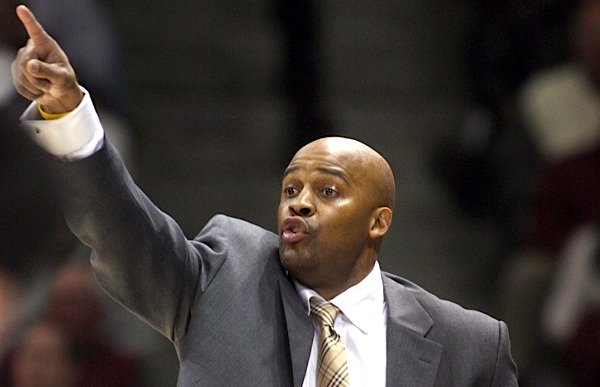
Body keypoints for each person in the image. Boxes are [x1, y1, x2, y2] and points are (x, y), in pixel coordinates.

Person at [10, 5, 518, 386]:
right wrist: (69, 114)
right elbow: (124, 232)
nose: (298, 202)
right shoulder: (223, 278)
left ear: (378, 222)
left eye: (327, 191)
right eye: (291, 188)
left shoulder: (470, 345)